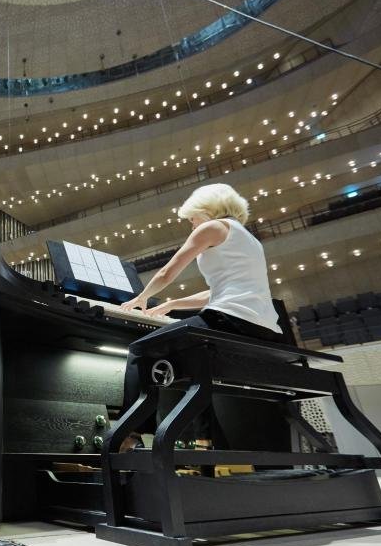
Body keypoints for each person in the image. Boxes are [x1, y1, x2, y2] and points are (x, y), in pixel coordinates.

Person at [119, 183, 284, 442]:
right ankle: (199, 440)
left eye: (191, 218)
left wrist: (142, 297)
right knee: (185, 363)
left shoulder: (213, 227)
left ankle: (132, 434)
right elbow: (215, 292)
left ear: (206, 209)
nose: (191, 224)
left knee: (141, 350)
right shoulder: (249, 239)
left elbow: (168, 272)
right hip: (264, 330)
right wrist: (172, 304)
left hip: (228, 320)